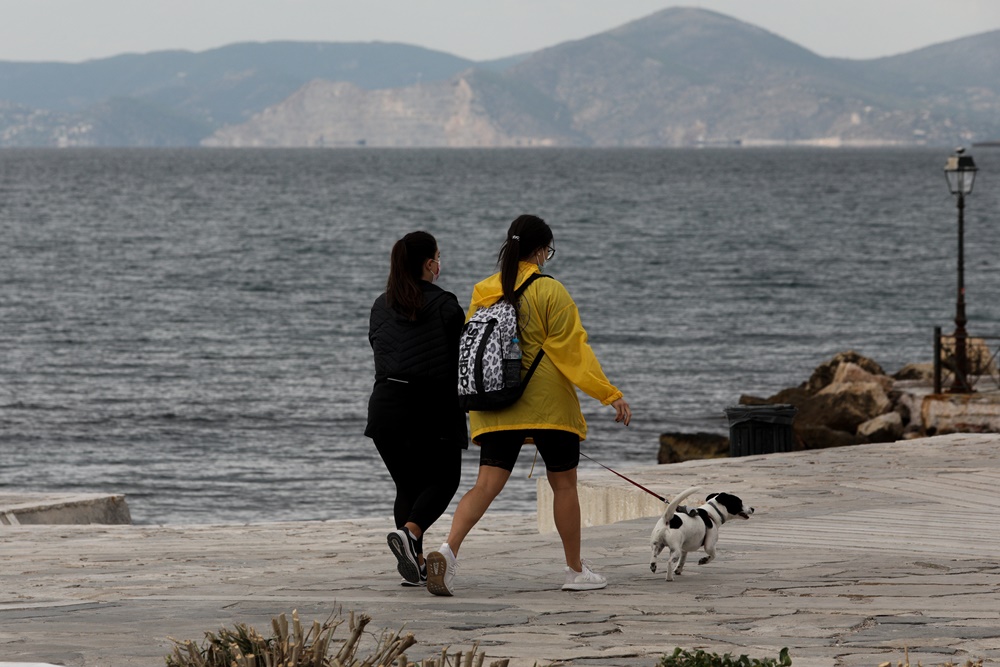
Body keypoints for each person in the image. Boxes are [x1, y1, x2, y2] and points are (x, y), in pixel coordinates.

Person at [426, 214, 631, 596]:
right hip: (548, 404)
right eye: (548, 252)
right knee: (564, 485)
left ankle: (447, 551)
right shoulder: (550, 290)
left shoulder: (483, 290)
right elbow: (572, 350)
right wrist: (608, 393)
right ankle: (574, 571)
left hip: (496, 401)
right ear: (539, 250)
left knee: (485, 485)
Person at [366, 230, 468, 587]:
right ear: (429, 264)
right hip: (429, 406)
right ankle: (410, 535)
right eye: (438, 257)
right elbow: (462, 360)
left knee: (407, 487)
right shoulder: (445, 305)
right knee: (445, 479)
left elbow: (380, 352)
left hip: (384, 408)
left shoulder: (381, 304)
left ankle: (416, 562)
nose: (440, 264)